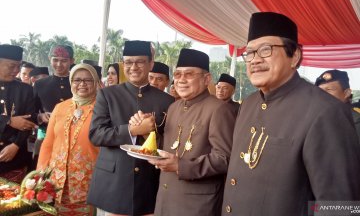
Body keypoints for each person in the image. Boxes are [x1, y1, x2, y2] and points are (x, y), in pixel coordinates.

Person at [222, 12, 360, 215]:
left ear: (294, 55)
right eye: (249, 53)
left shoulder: (325, 111)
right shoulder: (249, 104)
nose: (255, 60)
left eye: (266, 50)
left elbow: (340, 206)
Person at [145, 48, 236, 216]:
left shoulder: (219, 109)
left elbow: (225, 158)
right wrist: (146, 134)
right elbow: (168, 147)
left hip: (197, 204)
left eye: (189, 74)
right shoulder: (174, 107)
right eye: (178, 74)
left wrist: (182, 166)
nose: (181, 80)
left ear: (206, 79)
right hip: (166, 198)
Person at [87, 40, 174, 216]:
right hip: (114, 184)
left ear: (150, 63)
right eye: (128, 62)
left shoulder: (167, 101)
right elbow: (96, 134)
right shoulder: (108, 95)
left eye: (140, 61)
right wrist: (132, 130)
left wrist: (152, 132)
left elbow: (170, 141)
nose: (133, 67)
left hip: (149, 183)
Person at [37, 64, 99, 215]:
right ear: (71, 82)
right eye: (77, 80)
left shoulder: (103, 108)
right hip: (55, 181)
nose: (82, 84)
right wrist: (40, 174)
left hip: (89, 181)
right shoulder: (60, 107)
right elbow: (48, 144)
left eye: (88, 80)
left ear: (96, 82)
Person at [0, 45, 37, 182]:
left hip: (15, 158)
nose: (16, 71)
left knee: (13, 202)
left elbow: (30, 119)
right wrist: (8, 121)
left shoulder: (25, 89)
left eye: (18, 66)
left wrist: (16, 145)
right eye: (11, 66)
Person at [33, 45, 74, 167]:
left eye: (64, 60)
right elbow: (32, 111)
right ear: (49, 59)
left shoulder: (78, 83)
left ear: (72, 61)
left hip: (72, 137)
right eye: (55, 60)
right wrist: (40, 116)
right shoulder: (40, 84)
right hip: (45, 136)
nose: (59, 64)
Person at [315, 69, 360, 141]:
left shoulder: (355, 120)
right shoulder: (320, 116)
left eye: (329, 89)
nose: (322, 94)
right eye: (319, 91)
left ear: (347, 93)